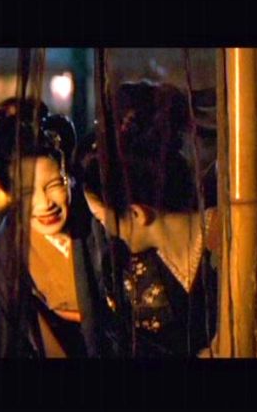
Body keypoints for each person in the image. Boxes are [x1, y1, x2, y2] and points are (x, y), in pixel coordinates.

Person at [75, 80, 220, 358]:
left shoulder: (230, 237)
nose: (105, 229)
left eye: (103, 218)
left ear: (137, 214)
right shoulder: (128, 274)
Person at [0, 97, 118, 358]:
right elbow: (15, 326)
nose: (44, 204)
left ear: (69, 177)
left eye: (54, 185)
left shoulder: (98, 216)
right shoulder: (9, 243)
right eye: (26, 192)